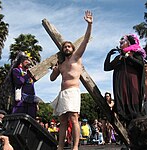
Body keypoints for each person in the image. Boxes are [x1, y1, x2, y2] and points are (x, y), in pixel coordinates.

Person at [50, 10, 93, 150]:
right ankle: (60, 146)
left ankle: (75, 146)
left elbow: (86, 40)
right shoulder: (61, 65)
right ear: (62, 50)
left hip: (73, 91)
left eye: (69, 46)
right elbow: (52, 79)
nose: (67, 48)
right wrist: (55, 70)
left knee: (74, 118)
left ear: (73, 49)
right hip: (63, 93)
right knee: (62, 121)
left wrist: (89, 24)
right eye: (65, 47)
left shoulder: (76, 57)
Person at [104, 34, 146, 125]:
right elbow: (107, 68)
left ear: (129, 43)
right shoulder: (118, 58)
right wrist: (108, 55)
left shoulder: (135, 54)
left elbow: (141, 65)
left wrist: (129, 57)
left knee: (135, 107)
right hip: (121, 88)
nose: (120, 42)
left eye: (122, 41)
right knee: (123, 110)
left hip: (133, 86)